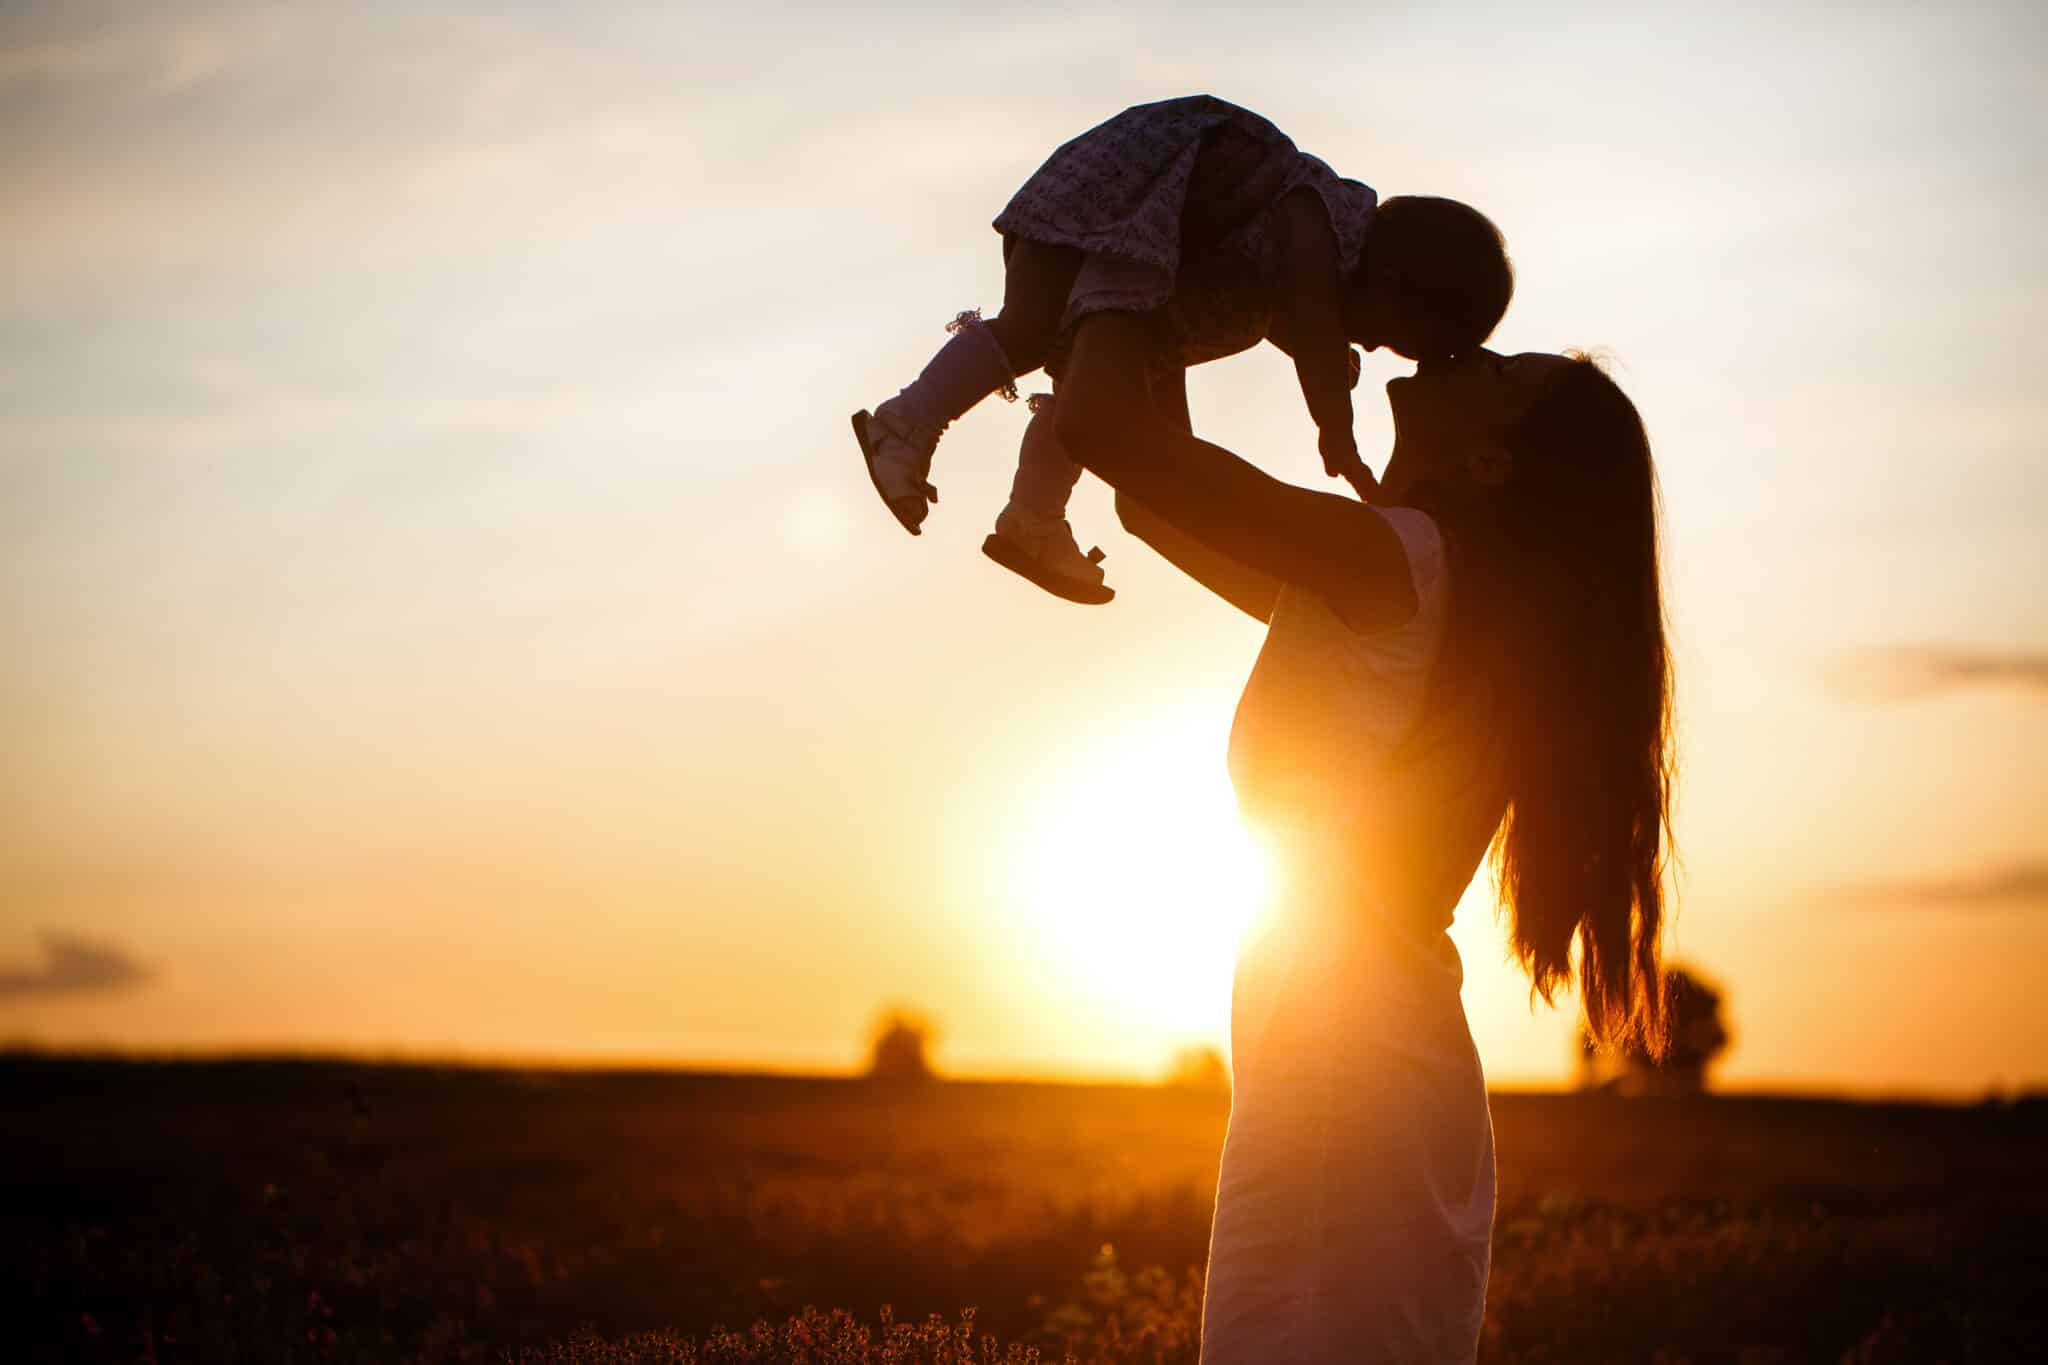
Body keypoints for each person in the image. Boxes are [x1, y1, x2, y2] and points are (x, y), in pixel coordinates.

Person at [1054, 315, 1676, 1361]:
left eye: (1494, 369)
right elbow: (1145, 489)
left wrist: (1146, 242)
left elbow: (1104, 429)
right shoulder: (1404, 576)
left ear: (1486, 459)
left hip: (1350, 1073)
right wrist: (1176, 306)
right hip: (1359, 1055)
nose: (1458, 348)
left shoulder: (1396, 560)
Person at [850, 94, 1512, 604]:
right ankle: (905, 424)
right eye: (1387, 332)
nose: (1369, 343)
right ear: (1394, 277)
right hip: (1129, 199)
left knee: (1099, 383)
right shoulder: (1326, 215)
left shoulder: (1297, 258)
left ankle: (1032, 521)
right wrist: (1336, 431)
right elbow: (1308, 313)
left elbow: (1293, 312)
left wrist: (1317, 349)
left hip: (1153, 246)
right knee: (1029, 328)